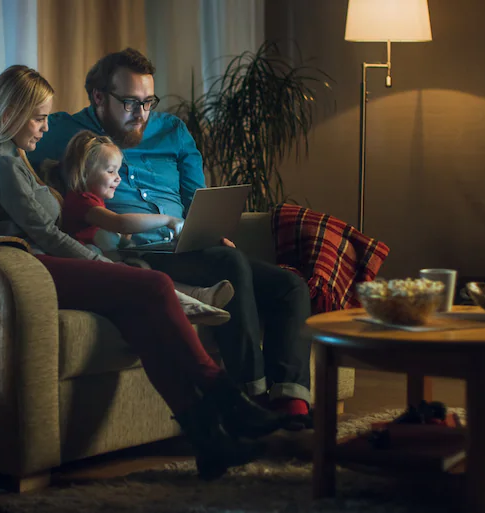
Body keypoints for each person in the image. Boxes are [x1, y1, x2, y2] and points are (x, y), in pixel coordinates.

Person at [0, 64, 284, 480]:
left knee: (139, 317)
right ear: (10, 113)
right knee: (154, 283)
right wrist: (99, 263)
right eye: (39, 117)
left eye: (46, 117)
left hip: (46, 261)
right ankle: (226, 398)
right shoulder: (1, 164)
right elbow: (46, 233)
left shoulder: (12, 155)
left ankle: (210, 442)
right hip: (34, 268)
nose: (45, 128)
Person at [27, 49, 314, 429]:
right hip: (138, 254)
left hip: (188, 247)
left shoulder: (173, 132)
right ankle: (250, 396)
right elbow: (6, 149)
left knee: (290, 285)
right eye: (130, 103)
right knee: (227, 265)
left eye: (148, 102)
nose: (141, 114)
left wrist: (213, 230)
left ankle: (291, 405)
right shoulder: (61, 132)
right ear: (99, 97)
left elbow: (200, 200)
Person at [56, 129, 234, 326]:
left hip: (103, 260)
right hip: (89, 268)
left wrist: (124, 238)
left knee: (143, 269)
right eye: (110, 171)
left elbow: (114, 233)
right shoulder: (80, 201)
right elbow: (119, 222)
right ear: (84, 171)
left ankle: (199, 296)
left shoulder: (93, 201)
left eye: (118, 171)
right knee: (141, 275)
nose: (118, 178)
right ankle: (192, 303)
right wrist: (167, 220)